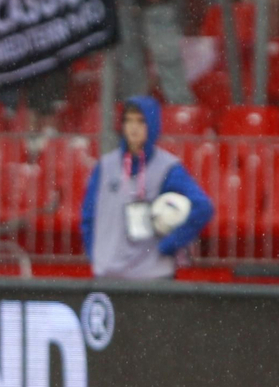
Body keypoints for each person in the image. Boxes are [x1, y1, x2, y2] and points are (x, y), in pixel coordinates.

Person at [81, 96, 214, 280]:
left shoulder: (168, 168)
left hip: (152, 277)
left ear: (152, 124)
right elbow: (88, 216)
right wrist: (96, 255)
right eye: (128, 120)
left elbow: (203, 207)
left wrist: (170, 244)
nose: (133, 127)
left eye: (140, 121)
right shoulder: (105, 166)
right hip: (109, 276)